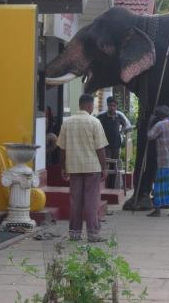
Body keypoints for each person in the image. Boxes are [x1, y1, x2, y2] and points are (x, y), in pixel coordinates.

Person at [56, 94, 109, 242]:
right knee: (92, 201)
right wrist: (104, 168)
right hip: (92, 167)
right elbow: (100, 149)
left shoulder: (67, 123)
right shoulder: (95, 122)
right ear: (90, 106)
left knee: (75, 201)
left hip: (73, 167)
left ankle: (74, 233)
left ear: (80, 105)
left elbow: (62, 148)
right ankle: (93, 234)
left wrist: (63, 167)